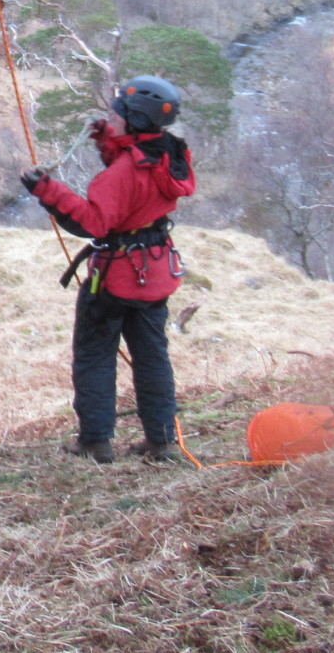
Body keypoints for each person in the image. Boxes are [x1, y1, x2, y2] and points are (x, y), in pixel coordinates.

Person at [23, 76, 195, 465]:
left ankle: (95, 441)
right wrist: (106, 139)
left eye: (115, 112)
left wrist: (47, 190)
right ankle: (162, 441)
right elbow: (131, 160)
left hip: (115, 280)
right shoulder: (170, 155)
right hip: (154, 274)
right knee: (153, 358)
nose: (109, 115)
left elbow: (93, 222)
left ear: (132, 120)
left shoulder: (121, 175)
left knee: (95, 357)